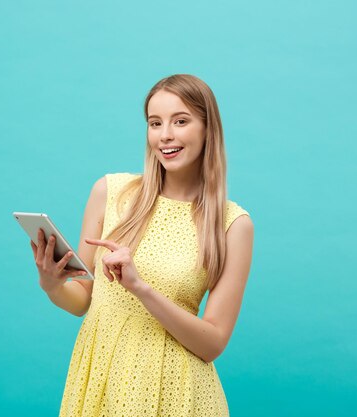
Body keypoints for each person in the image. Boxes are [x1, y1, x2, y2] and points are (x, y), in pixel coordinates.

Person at [30, 74, 254, 417]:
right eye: (155, 123)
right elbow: (81, 302)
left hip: (178, 393)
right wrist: (52, 284)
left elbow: (212, 343)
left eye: (180, 121)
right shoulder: (110, 192)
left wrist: (141, 288)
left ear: (208, 129)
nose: (165, 135)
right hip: (102, 379)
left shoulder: (232, 225)